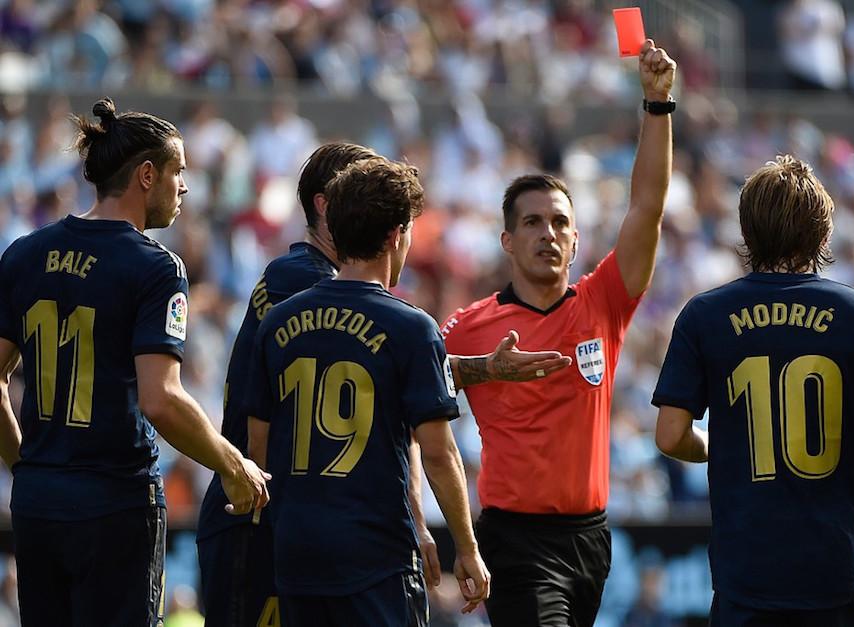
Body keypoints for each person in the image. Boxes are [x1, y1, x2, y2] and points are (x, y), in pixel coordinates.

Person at [196, 141, 568, 627]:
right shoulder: (303, 280)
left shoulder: (296, 307)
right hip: (282, 527)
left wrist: (478, 369)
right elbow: (396, 389)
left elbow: (375, 379)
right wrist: (460, 542)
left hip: (292, 530)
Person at [0, 98, 270, 627]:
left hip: (38, 507)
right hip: (115, 506)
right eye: (178, 172)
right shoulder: (155, 267)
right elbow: (161, 398)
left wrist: (27, 469)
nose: (185, 187)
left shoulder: (24, 253)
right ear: (147, 175)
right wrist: (233, 465)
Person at [439, 39, 676, 627]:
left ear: (575, 241)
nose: (548, 233)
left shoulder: (605, 303)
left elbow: (646, 207)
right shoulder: (470, 327)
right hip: (514, 539)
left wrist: (657, 105)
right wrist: (481, 369)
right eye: (533, 222)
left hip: (590, 538)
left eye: (561, 222)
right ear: (507, 241)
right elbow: (410, 383)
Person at [653, 155, 854, 625]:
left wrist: (732, 452)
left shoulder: (704, 315)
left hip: (747, 574)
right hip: (840, 569)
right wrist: (840, 464)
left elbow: (671, 435)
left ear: (747, 231)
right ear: (823, 231)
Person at [246, 156, 490, 626]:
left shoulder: (277, 322)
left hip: (298, 554)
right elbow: (438, 454)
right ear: (397, 234)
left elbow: (259, 448)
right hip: (375, 556)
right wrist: (467, 547)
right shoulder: (413, 328)